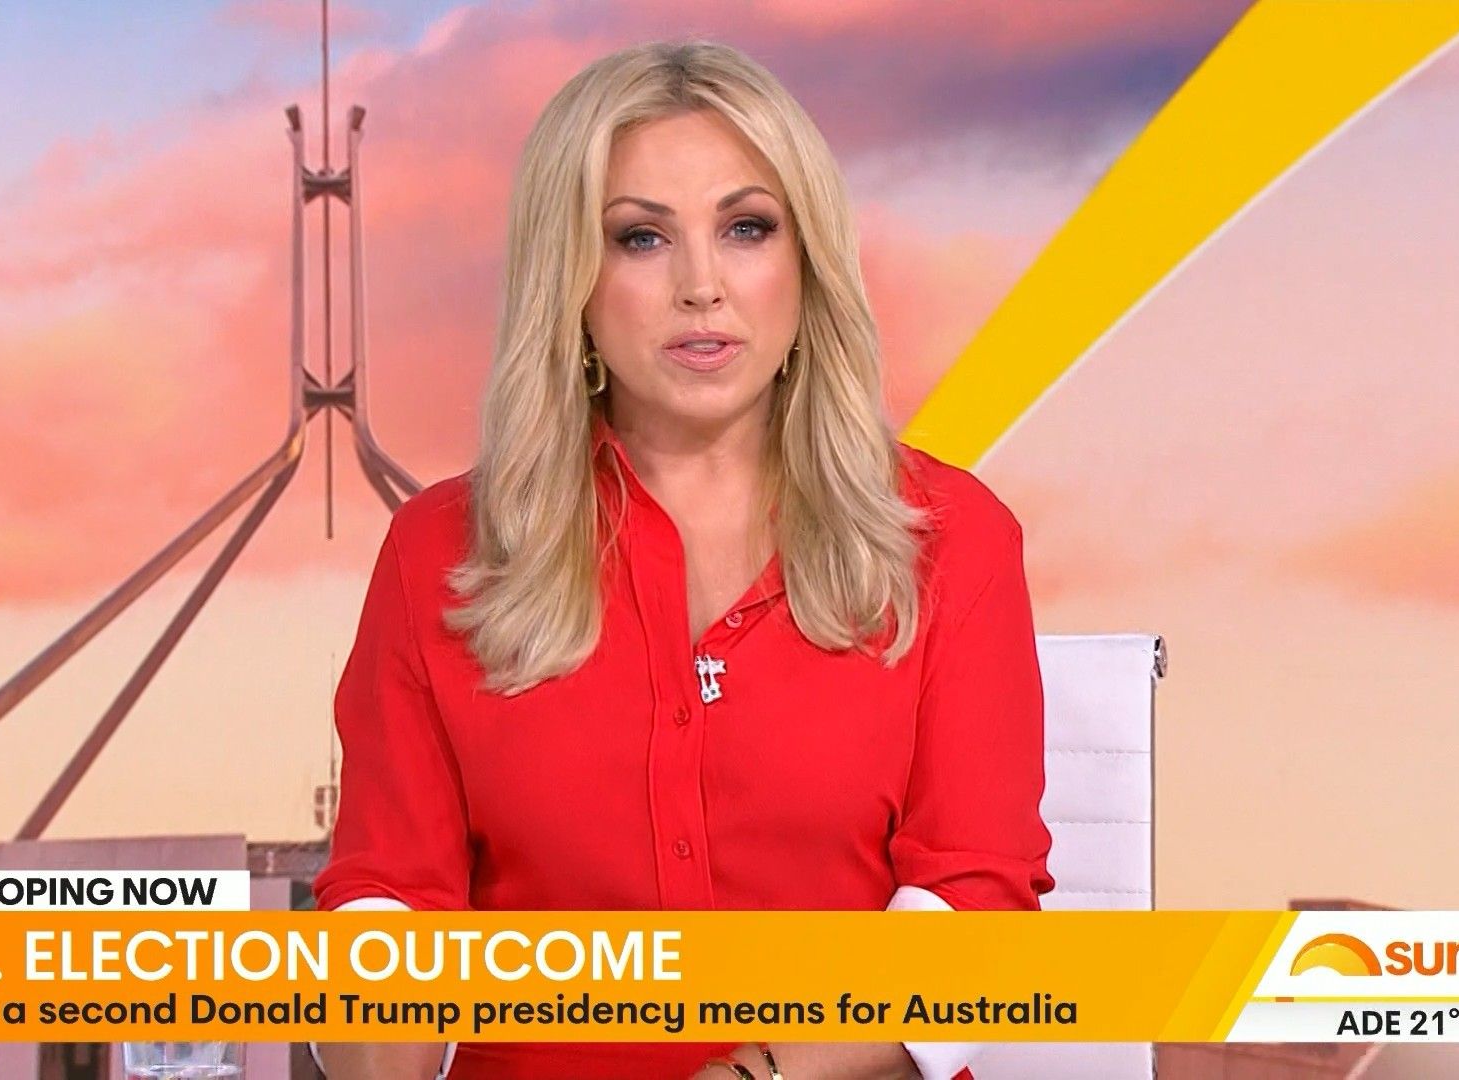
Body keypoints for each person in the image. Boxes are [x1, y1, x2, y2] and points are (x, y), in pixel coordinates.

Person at [312, 39, 1054, 1080]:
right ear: (570, 281)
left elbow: (974, 900)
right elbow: (387, 907)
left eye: (747, 228)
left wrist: (755, 1075)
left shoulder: (951, 535)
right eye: (641, 238)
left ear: (807, 263)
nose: (702, 286)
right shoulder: (439, 552)